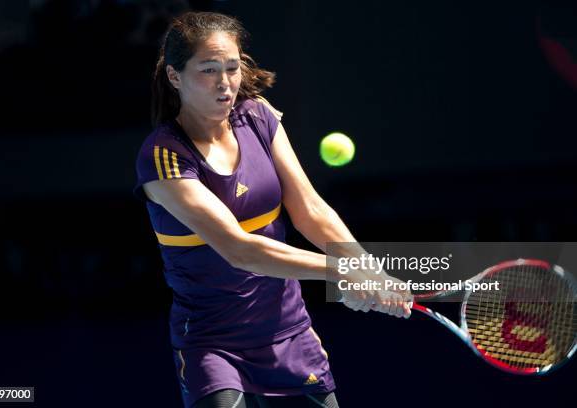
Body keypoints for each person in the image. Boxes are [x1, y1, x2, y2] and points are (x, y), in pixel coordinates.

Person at [134, 11, 412, 408]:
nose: (225, 83)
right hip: (214, 344)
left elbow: (311, 209)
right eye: (208, 70)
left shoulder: (258, 117)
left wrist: (370, 270)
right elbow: (240, 250)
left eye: (231, 68)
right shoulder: (163, 157)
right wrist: (343, 272)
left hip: (287, 331)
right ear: (175, 77)